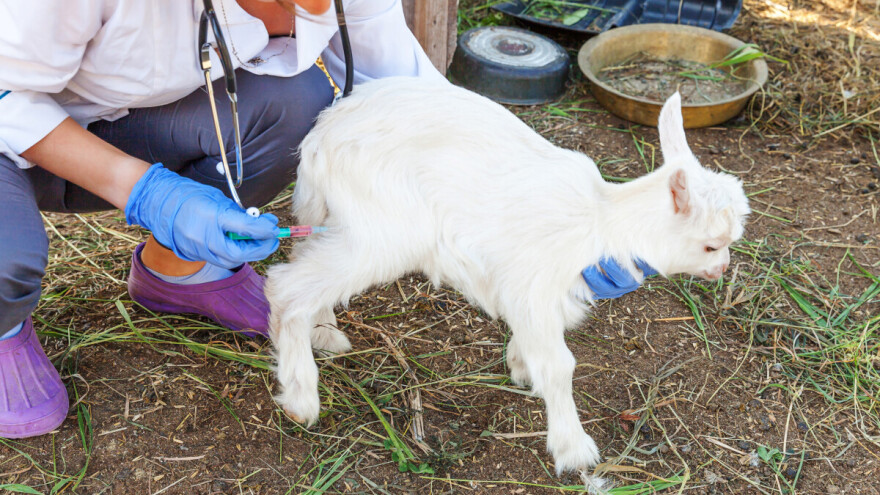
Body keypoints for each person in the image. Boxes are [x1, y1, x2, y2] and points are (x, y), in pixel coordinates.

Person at [0, 0, 650, 439]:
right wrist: (145, 191)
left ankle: (180, 271)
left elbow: (418, 101)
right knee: (9, 259)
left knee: (300, 103)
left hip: (109, 113)